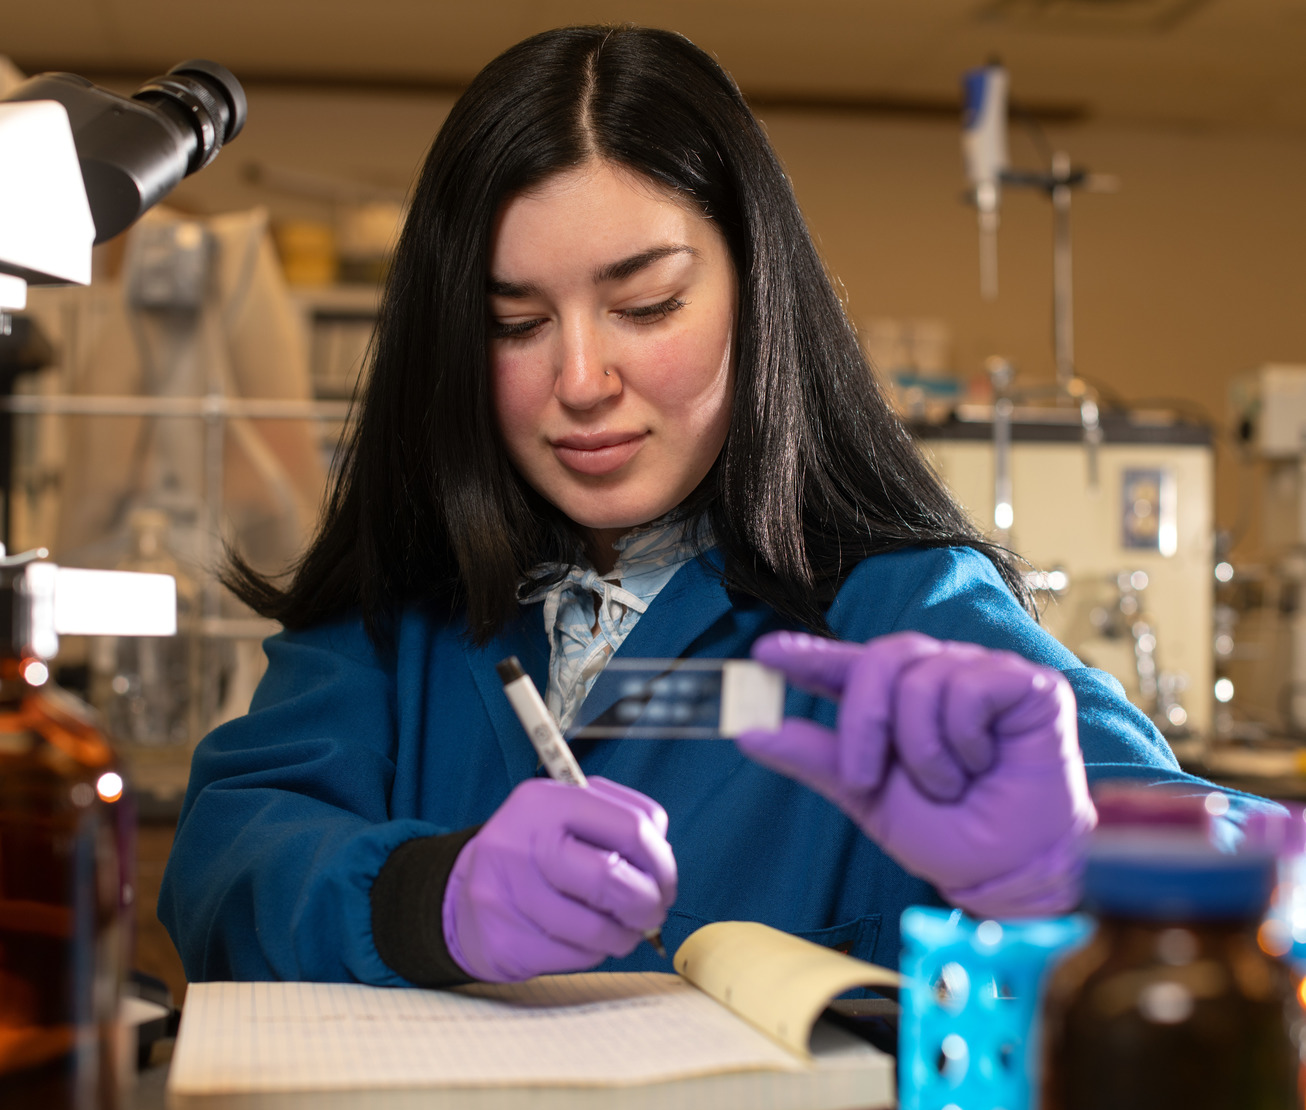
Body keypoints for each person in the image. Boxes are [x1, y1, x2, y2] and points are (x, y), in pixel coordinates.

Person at [159, 24, 1214, 988]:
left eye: (646, 305)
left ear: (757, 294)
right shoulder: (398, 613)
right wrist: (424, 897)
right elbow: (223, 856)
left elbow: (1255, 869)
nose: (579, 377)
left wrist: (1065, 859)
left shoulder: (902, 603)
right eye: (515, 324)